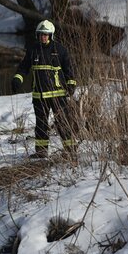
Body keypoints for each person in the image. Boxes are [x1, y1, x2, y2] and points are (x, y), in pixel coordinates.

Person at [11, 20, 77, 158]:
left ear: (51, 35)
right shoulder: (33, 50)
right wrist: (17, 79)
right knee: (41, 125)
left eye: (46, 34)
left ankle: (70, 150)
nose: (43, 37)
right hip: (39, 96)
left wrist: (71, 85)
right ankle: (41, 152)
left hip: (58, 95)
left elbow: (69, 69)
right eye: (41, 34)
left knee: (63, 122)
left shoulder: (60, 50)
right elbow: (24, 67)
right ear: (37, 35)